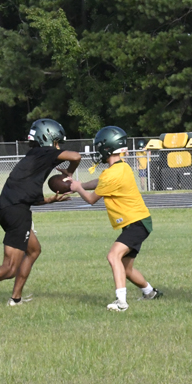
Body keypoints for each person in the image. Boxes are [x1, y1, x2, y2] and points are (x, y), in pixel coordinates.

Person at [0, 119, 80, 310]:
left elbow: (28, 196)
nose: (58, 147)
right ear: (47, 139)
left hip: (9, 208)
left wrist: (50, 200)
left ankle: (16, 298)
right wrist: (69, 172)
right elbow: (76, 156)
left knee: (34, 250)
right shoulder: (44, 152)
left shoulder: (33, 157)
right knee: (10, 268)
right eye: (57, 142)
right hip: (16, 211)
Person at [70, 126, 163, 312]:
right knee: (126, 269)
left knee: (113, 256)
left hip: (136, 223)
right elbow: (100, 182)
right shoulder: (120, 167)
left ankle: (121, 303)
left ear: (107, 148)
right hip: (138, 221)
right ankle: (150, 292)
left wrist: (77, 188)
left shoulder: (112, 174)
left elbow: (91, 199)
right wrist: (80, 184)